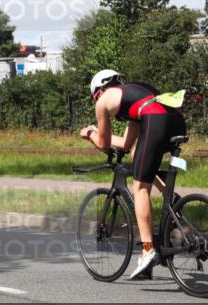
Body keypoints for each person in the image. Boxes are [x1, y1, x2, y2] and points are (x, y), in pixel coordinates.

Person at [80, 69, 187, 280]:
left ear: (99, 91)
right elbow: (126, 145)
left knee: (139, 188)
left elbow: (103, 144)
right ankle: (171, 197)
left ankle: (147, 250)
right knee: (139, 155)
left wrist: (90, 133)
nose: (97, 101)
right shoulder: (134, 96)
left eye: (95, 97)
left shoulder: (103, 102)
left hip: (156, 119)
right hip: (174, 119)